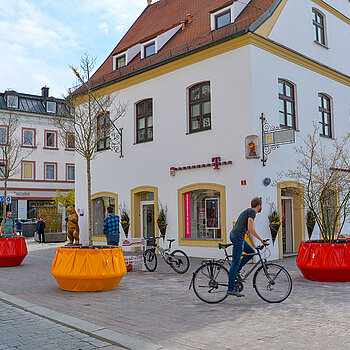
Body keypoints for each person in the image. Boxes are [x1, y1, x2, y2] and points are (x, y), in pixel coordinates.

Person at [227, 197, 269, 297]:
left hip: (239, 236)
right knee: (235, 263)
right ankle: (231, 288)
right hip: (237, 237)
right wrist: (261, 239)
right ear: (259, 206)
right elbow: (251, 228)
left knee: (250, 252)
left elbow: (249, 231)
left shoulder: (249, 212)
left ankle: (237, 270)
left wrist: (254, 245)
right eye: (261, 205)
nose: (261, 207)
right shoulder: (252, 212)